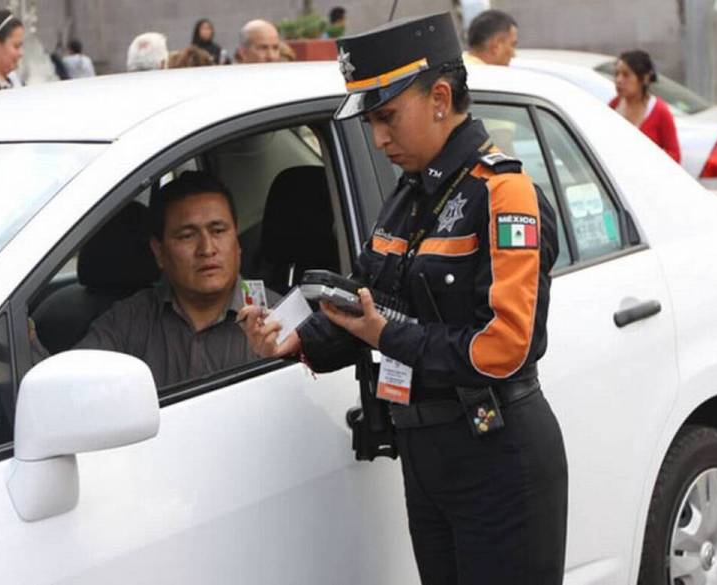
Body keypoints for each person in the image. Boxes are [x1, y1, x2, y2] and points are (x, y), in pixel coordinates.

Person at [240, 13, 567, 585]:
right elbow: (364, 298)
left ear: (440, 98)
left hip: (497, 454)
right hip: (427, 456)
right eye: (371, 122)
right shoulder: (407, 197)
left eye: (387, 117)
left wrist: (389, 336)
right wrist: (294, 340)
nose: (378, 139)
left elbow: (505, 346)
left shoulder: (505, 194)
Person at [73, 171, 269, 388]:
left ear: (237, 242)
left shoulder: (278, 320)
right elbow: (70, 388)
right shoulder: (129, 322)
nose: (207, 249)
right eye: (187, 236)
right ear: (159, 251)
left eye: (218, 231)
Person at [609, 50, 681, 163]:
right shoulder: (614, 106)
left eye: (626, 75)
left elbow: (674, 154)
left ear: (644, 78)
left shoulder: (659, 111)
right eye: (616, 74)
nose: (619, 80)